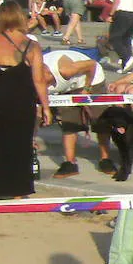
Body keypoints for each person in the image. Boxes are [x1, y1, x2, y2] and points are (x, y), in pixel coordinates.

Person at [0, 1, 51, 197]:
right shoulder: (31, 45)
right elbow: (39, 80)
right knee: (21, 144)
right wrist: (46, 107)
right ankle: (18, 190)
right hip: (21, 100)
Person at [43, 48, 107, 177]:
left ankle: (105, 159)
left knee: (101, 120)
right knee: (69, 123)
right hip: (67, 88)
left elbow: (92, 64)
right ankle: (70, 163)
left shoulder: (65, 69)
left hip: (92, 78)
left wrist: (87, 88)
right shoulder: (34, 79)